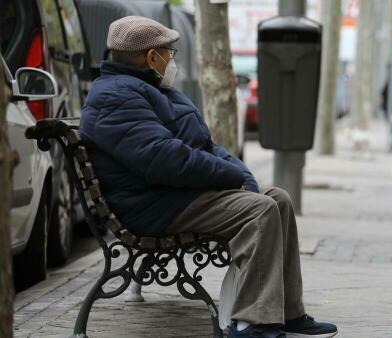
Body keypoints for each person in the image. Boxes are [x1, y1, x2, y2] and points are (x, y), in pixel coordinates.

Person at [79, 16, 337, 338]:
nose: (172, 60)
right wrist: (230, 177)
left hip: (174, 195)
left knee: (278, 199)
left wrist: (241, 174)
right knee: (259, 211)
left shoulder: (148, 88)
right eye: (169, 53)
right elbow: (165, 159)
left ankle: (286, 312)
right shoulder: (115, 97)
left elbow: (205, 146)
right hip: (154, 205)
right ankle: (252, 322)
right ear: (151, 57)